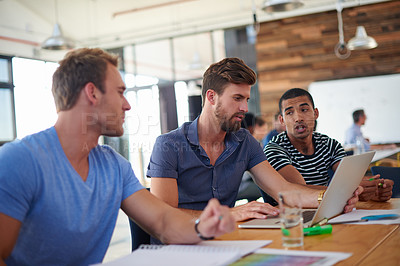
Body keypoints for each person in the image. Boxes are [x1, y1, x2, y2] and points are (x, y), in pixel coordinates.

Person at [0, 48, 235, 265]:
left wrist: (201, 226)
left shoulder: (113, 166)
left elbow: (162, 221)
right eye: (120, 92)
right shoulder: (19, 160)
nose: (127, 105)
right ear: (92, 92)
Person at [148, 58, 361, 227]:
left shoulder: (244, 142)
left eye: (246, 100)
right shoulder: (168, 145)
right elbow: (163, 214)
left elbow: (284, 191)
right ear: (211, 97)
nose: (244, 108)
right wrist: (229, 213)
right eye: (237, 98)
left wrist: (332, 197)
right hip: (180, 248)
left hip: (226, 241)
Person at [263, 88, 393, 203]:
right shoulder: (274, 149)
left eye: (304, 110)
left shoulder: (329, 144)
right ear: (282, 120)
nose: (298, 118)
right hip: (289, 218)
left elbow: (351, 179)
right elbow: (298, 190)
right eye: (289, 113)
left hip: (328, 211)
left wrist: (375, 189)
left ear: (315, 114)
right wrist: (353, 191)